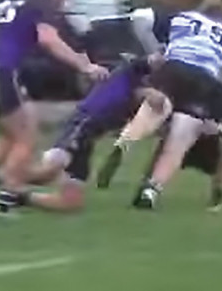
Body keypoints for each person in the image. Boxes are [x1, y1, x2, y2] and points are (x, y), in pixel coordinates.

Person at [0, 0, 109, 217]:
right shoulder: (43, 3)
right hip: (2, 71)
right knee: (27, 137)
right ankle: (5, 202)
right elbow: (49, 40)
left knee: (13, 133)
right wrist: (84, 66)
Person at [131, 0, 222, 210]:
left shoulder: (183, 19)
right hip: (203, 85)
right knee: (205, 143)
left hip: (171, 73)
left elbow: (139, 17)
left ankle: (132, 137)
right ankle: (217, 193)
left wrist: (157, 51)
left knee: (167, 131)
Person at [14, 54, 160, 212]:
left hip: (87, 141)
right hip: (81, 125)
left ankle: (19, 197)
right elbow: (151, 62)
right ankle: (1, 179)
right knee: (49, 171)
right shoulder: (129, 73)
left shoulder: (139, 98)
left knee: (71, 203)